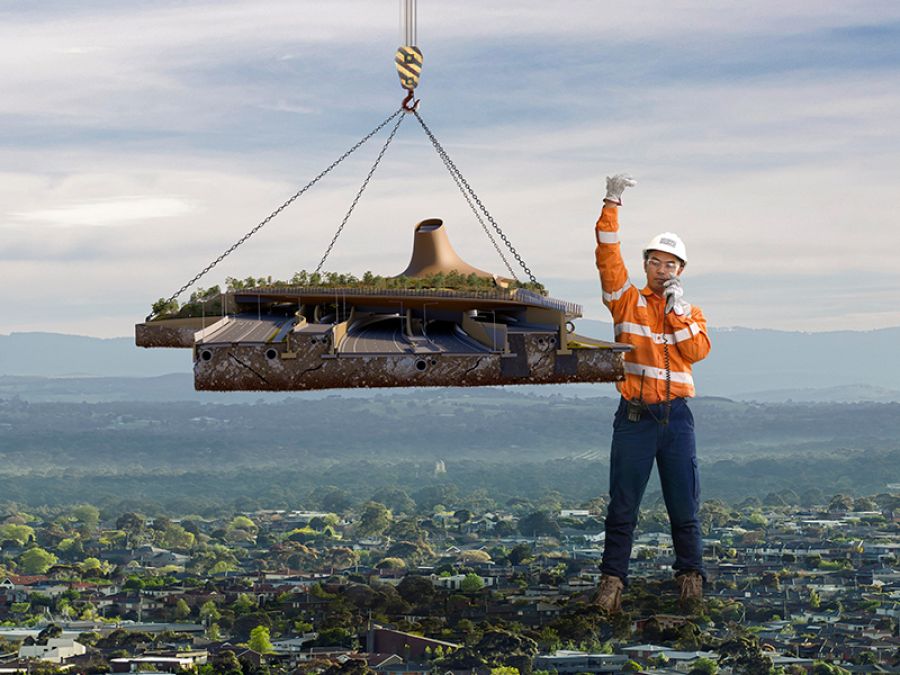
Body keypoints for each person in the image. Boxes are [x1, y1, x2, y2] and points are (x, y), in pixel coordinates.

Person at [592, 173, 712, 613]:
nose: (663, 271)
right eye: (656, 263)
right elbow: (607, 256)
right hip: (636, 417)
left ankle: (690, 579)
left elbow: (696, 352)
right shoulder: (627, 300)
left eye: (671, 265)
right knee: (622, 505)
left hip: (676, 419)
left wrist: (679, 314)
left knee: (685, 503)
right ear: (646, 266)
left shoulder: (690, 313)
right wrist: (611, 202)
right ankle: (612, 585)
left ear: (681, 271)